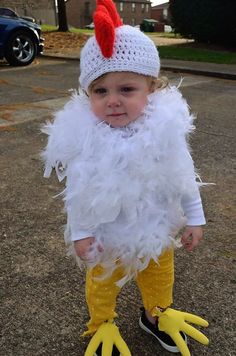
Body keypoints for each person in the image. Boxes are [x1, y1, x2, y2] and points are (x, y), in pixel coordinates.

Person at [42, 1, 209, 355]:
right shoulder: (88, 138)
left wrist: (195, 218)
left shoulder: (166, 131)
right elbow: (80, 191)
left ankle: (156, 316)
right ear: (88, 94)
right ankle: (102, 323)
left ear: (152, 88)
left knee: (160, 275)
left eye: (127, 89)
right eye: (100, 91)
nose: (113, 101)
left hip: (156, 229)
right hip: (107, 233)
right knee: (102, 283)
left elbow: (183, 177)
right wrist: (81, 232)